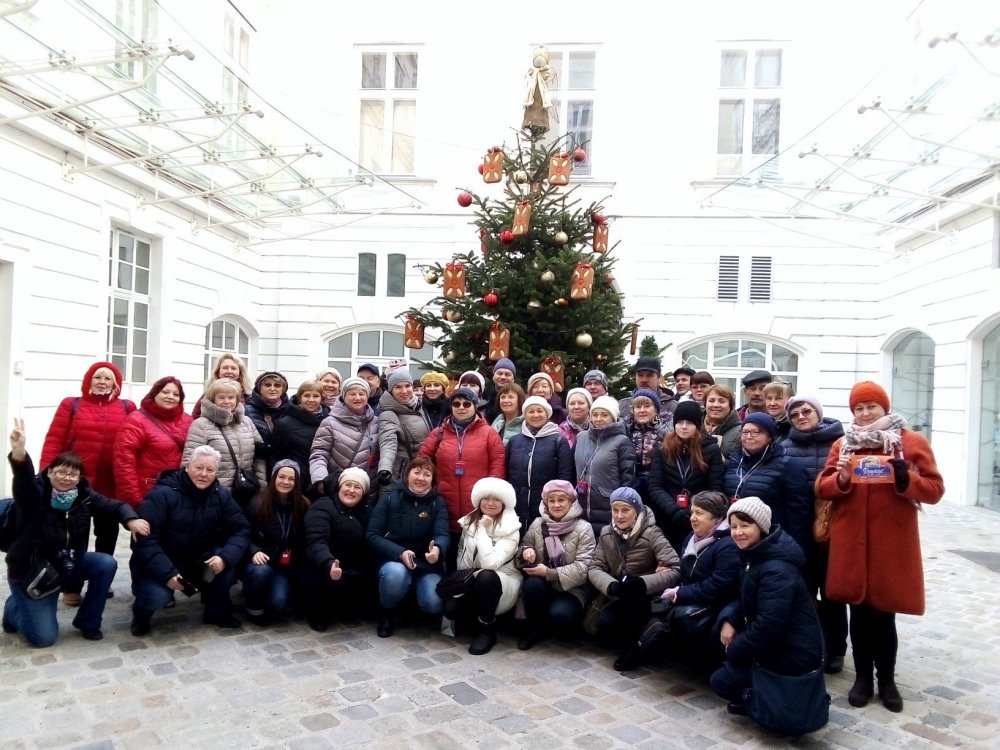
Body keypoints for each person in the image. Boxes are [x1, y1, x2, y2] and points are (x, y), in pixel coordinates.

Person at [816, 381, 944, 712]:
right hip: (851, 542)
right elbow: (823, 486)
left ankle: (886, 680)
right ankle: (862, 679)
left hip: (891, 544)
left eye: (871, 406)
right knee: (858, 614)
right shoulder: (844, 444)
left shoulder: (909, 442)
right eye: (859, 408)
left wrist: (906, 478)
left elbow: (934, 490)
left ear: (884, 407)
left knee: (885, 616)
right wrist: (841, 479)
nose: (865, 413)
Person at [4, 419, 148, 646]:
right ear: (49, 472)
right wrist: (19, 454)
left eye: (73, 474)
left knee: (105, 563)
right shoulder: (35, 494)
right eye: (61, 472)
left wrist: (131, 519)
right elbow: (23, 484)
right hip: (32, 572)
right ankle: (14, 608)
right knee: (43, 638)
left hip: (66, 565)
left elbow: (113, 506)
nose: (66, 478)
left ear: (79, 478)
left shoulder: (83, 495)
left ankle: (88, 621)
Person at [710, 498, 825, 718]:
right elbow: (745, 597)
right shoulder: (755, 555)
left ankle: (763, 702)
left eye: (745, 526)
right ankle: (759, 696)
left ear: (761, 527)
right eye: (733, 526)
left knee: (722, 680)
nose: (737, 532)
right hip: (775, 643)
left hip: (792, 651)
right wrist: (729, 619)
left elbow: (768, 626)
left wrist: (735, 650)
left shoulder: (776, 569)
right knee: (718, 647)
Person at [41, 361, 136, 606]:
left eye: (108, 378)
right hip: (74, 483)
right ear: (88, 381)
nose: (102, 382)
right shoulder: (71, 405)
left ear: (116, 384)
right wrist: (46, 475)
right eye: (97, 377)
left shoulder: (127, 407)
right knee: (75, 536)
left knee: (108, 534)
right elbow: (54, 440)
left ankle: (100, 580)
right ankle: (71, 585)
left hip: (109, 483)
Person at [129, 445, 251, 635]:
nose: (204, 474)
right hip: (162, 561)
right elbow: (145, 541)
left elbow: (241, 529)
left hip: (197, 560)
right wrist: (167, 573)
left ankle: (215, 611)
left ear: (216, 472)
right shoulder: (161, 494)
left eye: (210, 470)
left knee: (227, 559)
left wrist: (225, 558)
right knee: (157, 596)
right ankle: (141, 615)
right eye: (199, 468)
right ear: (187, 467)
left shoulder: (220, 495)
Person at [782, 395, 847, 674]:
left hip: (834, 528)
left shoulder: (840, 442)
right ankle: (810, 646)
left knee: (833, 593)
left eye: (806, 411)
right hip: (800, 528)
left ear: (818, 413)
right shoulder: (786, 446)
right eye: (795, 414)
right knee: (805, 592)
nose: (801, 417)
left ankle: (836, 649)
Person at [588, 487, 680, 671]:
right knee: (606, 624)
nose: (619, 515)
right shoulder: (607, 533)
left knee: (636, 605)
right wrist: (611, 585)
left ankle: (635, 649)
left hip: (646, 596)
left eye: (625, 510)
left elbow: (675, 569)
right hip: (620, 593)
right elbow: (595, 567)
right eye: (615, 510)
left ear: (637, 511)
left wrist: (642, 583)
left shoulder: (652, 533)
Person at [647, 491, 741, 666]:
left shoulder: (727, 545)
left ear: (717, 517)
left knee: (679, 617)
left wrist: (680, 593)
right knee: (651, 606)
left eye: (699, 513)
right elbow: (684, 571)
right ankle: (644, 648)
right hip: (688, 595)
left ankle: (695, 660)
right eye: (692, 512)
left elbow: (718, 587)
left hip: (711, 605)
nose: (692, 518)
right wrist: (668, 571)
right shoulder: (691, 538)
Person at [418, 386, 505, 567]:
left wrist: (489, 498)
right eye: (456, 404)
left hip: (476, 509)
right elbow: (421, 463)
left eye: (466, 404)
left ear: (475, 406)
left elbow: (497, 467)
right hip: (444, 507)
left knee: (474, 561)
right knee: (447, 559)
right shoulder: (439, 433)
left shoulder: (489, 433)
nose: (461, 407)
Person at [366, 457, 449, 638]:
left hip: (425, 564)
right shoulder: (389, 498)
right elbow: (372, 535)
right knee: (396, 575)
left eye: (426, 474)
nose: (421, 478)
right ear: (407, 475)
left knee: (433, 603)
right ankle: (387, 612)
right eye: (416, 472)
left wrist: (437, 549)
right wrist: (400, 553)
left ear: (433, 480)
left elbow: (442, 533)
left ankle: (409, 604)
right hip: (393, 560)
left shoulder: (437, 503)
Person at [442, 478, 522, 656]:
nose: (490, 503)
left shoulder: (511, 528)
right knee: (451, 608)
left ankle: (487, 629)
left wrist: (482, 530)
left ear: (504, 502)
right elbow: (462, 552)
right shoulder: (470, 521)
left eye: (496, 499)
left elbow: (490, 564)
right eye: (486, 498)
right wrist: (461, 584)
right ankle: (473, 618)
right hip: (474, 577)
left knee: (487, 576)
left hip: (501, 582)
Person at [516, 480, 595, 649]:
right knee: (531, 585)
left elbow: (584, 568)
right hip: (543, 584)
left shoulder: (583, 528)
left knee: (561, 617)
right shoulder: (538, 524)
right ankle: (533, 629)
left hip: (572, 589)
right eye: (551, 500)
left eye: (561, 500)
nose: (556, 505)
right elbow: (523, 546)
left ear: (571, 502)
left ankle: (562, 623)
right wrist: (526, 551)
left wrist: (549, 573)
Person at [722, 412, 812, 553]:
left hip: (771, 541)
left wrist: (795, 548)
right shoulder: (734, 462)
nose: (749, 436)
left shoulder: (788, 465)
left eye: (756, 432)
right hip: (736, 537)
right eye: (745, 432)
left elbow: (799, 514)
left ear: (769, 437)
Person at [648, 400, 726, 554]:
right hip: (668, 516)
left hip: (700, 518)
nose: (683, 427)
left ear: (697, 425)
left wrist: (696, 510)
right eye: (680, 422)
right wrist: (673, 509)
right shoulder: (663, 449)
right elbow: (655, 486)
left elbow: (715, 488)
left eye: (689, 423)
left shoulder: (711, 449)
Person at [241, 460, 312, 625]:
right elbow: (243, 532)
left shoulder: (303, 504)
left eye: (291, 479)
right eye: (281, 477)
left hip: (283, 564)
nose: (286, 482)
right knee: (260, 573)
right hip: (260, 560)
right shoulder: (258, 502)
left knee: (278, 603)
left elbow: (305, 537)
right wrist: (254, 550)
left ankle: (271, 592)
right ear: (274, 478)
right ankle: (252, 603)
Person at [303, 467, 374, 631]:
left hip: (354, 566)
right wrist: (328, 563)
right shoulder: (323, 506)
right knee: (330, 580)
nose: (351, 490)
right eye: (348, 485)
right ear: (339, 486)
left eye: (357, 487)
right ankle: (317, 613)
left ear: (363, 493)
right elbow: (315, 541)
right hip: (324, 565)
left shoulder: (367, 510)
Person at [183, 378, 266, 506]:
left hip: (245, 492)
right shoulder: (201, 425)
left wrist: (262, 486)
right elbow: (189, 461)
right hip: (213, 494)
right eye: (221, 397)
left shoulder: (247, 422)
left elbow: (260, 455)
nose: (226, 401)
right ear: (213, 400)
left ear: (237, 400)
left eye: (231, 397)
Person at [114, 376, 193, 508]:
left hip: (180, 494)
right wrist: (134, 500)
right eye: (165, 392)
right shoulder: (136, 420)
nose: (170, 397)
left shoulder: (188, 420)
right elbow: (124, 462)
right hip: (149, 493)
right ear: (155, 393)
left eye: (176, 394)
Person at [505, 396, 575, 531]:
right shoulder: (515, 441)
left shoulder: (558, 441)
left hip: (545, 505)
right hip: (517, 504)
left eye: (540, 411)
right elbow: (507, 473)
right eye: (531, 411)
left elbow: (565, 476)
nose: (535, 415)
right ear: (525, 415)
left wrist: (556, 502)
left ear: (547, 414)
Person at [574, 396, 635, 536]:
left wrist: (621, 505)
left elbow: (628, 479)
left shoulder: (622, 441)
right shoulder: (581, 437)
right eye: (595, 414)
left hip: (608, 507)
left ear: (613, 417)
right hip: (581, 505)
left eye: (604, 415)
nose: (598, 419)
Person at [308, 376, 379, 498]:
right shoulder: (329, 423)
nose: (357, 398)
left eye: (361, 394)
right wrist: (322, 481)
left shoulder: (376, 422)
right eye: (352, 394)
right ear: (343, 397)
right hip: (337, 489)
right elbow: (319, 454)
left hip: (367, 492)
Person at [270, 380, 329, 494]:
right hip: (295, 483)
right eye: (306, 395)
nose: (311, 400)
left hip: (321, 480)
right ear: (299, 398)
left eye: (316, 396)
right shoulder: (285, 424)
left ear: (321, 398)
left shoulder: (329, 421)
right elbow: (276, 457)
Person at [377, 369, 429, 485]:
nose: (404, 391)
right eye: (398, 387)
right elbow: (388, 442)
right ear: (391, 390)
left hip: (421, 469)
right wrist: (385, 468)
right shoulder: (389, 413)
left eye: (407, 386)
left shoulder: (418, 406)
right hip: (401, 472)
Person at [623, 388, 669, 502]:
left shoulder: (667, 432)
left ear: (656, 409)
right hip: (632, 484)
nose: (642, 410)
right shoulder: (626, 430)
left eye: (647, 406)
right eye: (638, 407)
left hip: (659, 485)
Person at [243, 371, 291, 475]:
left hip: (285, 467)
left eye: (277, 385)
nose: (272, 389)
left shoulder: (291, 410)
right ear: (259, 389)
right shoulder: (247, 411)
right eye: (268, 385)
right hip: (258, 466)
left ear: (283, 389)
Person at [192, 353, 252, 419]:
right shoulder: (208, 395)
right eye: (225, 368)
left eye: (233, 368)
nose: (229, 371)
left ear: (240, 373)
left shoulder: (248, 397)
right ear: (218, 372)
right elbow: (194, 418)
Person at [620, 357, 676, 422]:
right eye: (640, 375)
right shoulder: (622, 406)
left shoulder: (673, 407)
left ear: (658, 378)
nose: (644, 380)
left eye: (649, 375)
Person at [703, 384, 741, 461]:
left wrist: (720, 459)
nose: (716, 405)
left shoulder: (741, 431)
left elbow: (741, 464)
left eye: (722, 401)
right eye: (711, 400)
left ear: (730, 405)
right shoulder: (696, 428)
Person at [483, 358, 517, 423]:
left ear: (513, 379)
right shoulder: (484, 396)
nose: (503, 377)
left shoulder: (519, 398)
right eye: (499, 373)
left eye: (507, 374)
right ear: (493, 377)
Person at [762, 380, 794, 444]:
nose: (772, 403)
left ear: (790, 400)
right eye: (769, 398)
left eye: (778, 398)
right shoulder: (761, 425)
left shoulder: (796, 427)